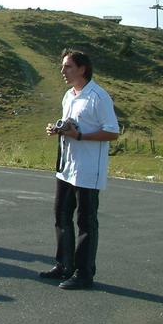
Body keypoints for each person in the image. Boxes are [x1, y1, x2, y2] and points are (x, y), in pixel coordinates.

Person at [40, 49, 120, 290]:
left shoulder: (98, 97)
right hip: (67, 166)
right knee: (61, 215)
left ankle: (84, 273)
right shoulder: (69, 96)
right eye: (63, 66)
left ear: (82, 69)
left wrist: (80, 135)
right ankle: (64, 265)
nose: (62, 71)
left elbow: (112, 132)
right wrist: (58, 129)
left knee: (85, 220)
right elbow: (71, 125)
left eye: (68, 66)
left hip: (88, 168)